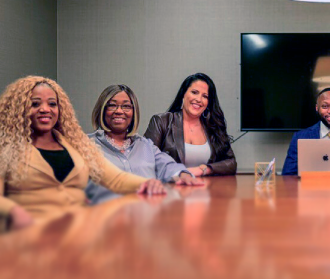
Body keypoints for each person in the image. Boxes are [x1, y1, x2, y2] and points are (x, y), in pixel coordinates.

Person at [0, 76, 167, 232]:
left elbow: (114, 178)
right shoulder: (6, 148)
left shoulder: (76, 144)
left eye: (52, 104)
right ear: (18, 109)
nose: (45, 109)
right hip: (28, 234)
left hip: (76, 232)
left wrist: (146, 184)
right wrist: (14, 211)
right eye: (35, 104)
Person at [86, 84, 204, 205]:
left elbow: (168, 166)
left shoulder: (145, 145)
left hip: (147, 216)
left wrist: (183, 175)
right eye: (112, 105)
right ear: (102, 109)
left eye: (126, 106)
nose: (119, 111)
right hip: (106, 216)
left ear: (134, 112)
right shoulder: (85, 145)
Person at [144, 73, 237, 177]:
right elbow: (146, 160)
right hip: (170, 189)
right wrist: (179, 173)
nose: (199, 99)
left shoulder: (213, 126)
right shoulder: (161, 121)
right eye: (194, 92)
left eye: (205, 96)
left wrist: (205, 169)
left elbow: (231, 163)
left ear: (208, 102)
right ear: (183, 94)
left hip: (208, 190)